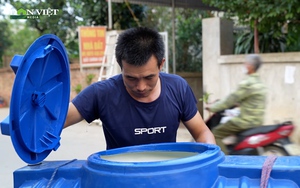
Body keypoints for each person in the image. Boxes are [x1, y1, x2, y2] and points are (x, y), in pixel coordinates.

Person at [64, 27, 215, 150]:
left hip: (166, 177)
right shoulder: (101, 93)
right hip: (121, 178)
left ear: (161, 65)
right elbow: (55, 122)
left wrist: (209, 161)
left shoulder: (177, 88)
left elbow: (202, 132)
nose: (141, 87)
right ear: (121, 66)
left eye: (149, 77)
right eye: (131, 78)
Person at [206, 54, 267, 155]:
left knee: (215, 134)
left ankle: (226, 160)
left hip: (245, 121)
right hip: (257, 120)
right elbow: (246, 100)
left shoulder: (247, 83)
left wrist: (212, 107)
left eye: (245, 63)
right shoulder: (260, 83)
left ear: (250, 66)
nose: (244, 65)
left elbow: (229, 100)